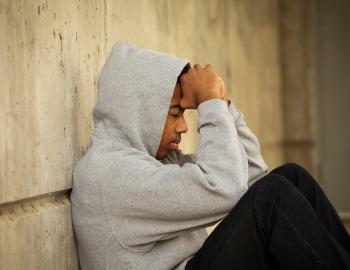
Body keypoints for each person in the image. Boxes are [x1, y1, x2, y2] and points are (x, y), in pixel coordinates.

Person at [70, 42, 350, 270]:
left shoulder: (153, 162)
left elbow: (250, 178)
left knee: (291, 177)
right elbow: (229, 188)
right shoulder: (109, 175)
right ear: (138, 110)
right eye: (175, 114)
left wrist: (222, 103)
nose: (183, 127)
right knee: (272, 197)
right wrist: (210, 103)